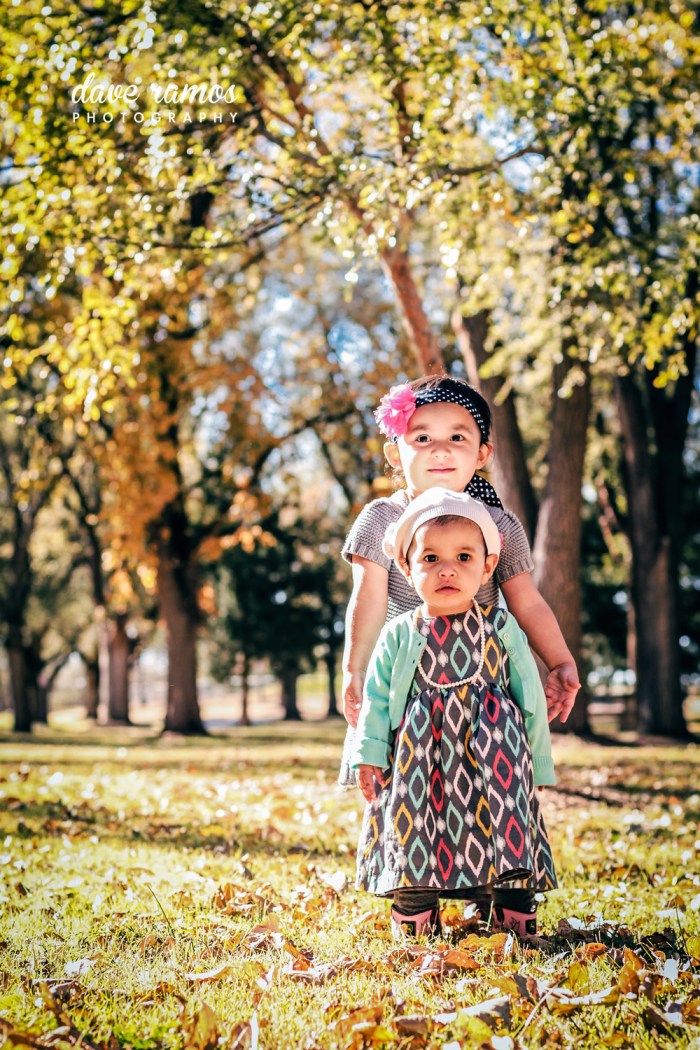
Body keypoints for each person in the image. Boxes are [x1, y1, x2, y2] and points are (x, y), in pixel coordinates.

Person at [339, 374, 578, 786]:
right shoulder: (381, 518)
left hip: (478, 690)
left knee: (477, 792)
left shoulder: (498, 525)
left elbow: (527, 602)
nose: (441, 449)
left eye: (457, 437)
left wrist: (559, 660)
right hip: (403, 682)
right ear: (395, 452)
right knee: (399, 789)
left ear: (482, 452)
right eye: (422, 438)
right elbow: (368, 599)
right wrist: (354, 669)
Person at [350, 488, 557, 940]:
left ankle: (513, 917)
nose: (448, 569)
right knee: (413, 829)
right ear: (406, 568)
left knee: (504, 825)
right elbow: (376, 701)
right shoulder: (398, 634)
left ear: (487, 567)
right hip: (418, 762)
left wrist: (538, 762)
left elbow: (530, 697)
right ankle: (416, 917)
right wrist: (368, 756)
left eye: (464, 557)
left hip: (495, 761)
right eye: (431, 558)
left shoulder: (501, 627)